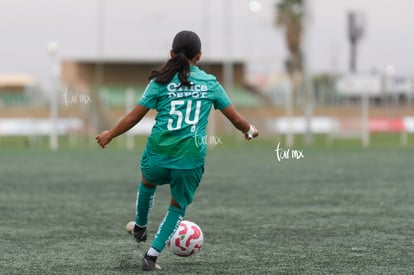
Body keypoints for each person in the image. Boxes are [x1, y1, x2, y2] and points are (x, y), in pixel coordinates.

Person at [95, 30, 259, 271]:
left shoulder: (160, 81)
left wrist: (110, 134)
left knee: (147, 182)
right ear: (199, 56)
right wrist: (250, 130)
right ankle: (151, 256)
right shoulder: (210, 83)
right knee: (177, 206)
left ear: (171, 54)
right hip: (190, 158)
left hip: (158, 152)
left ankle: (140, 227)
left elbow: (134, 117)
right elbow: (235, 118)